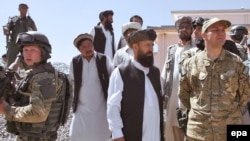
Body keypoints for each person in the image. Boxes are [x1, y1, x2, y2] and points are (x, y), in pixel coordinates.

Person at [179, 18, 250, 140]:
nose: (221, 33)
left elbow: (244, 94)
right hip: (198, 132)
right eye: (216, 30)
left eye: (223, 30)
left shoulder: (236, 62)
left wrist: (227, 113)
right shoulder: (191, 63)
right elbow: (184, 95)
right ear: (204, 35)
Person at [0, 31, 66, 140]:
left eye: (33, 50)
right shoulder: (36, 74)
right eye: (25, 50)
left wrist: (6, 110)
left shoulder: (44, 77)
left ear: (44, 52)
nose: (27, 54)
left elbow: (38, 113)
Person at [107, 29, 164, 141]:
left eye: (152, 45)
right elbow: (113, 108)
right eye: (147, 45)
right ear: (135, 47)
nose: (151, 49)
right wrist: (118, 136)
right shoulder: (121, 72)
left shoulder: (155, 72)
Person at [69, 33, 113, 141]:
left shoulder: (104, 60)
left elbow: (113, 78)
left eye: (89, 45)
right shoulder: (75, 62)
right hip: (81, 108)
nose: (88, 48)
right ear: (79, 50)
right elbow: (72, 81)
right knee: (76, 135)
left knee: (100, 135)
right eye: (84, 47)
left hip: (101, 107)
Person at [161, 16, 195, 141]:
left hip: (190, 99)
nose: (184, 29)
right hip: (172, 98)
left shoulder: (197, 49)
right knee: (172, 133)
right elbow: (165, 73)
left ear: (192, 30)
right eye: (181, 27)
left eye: (187, 27)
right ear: (178, 30)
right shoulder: (171, 49)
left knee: (190, 132)